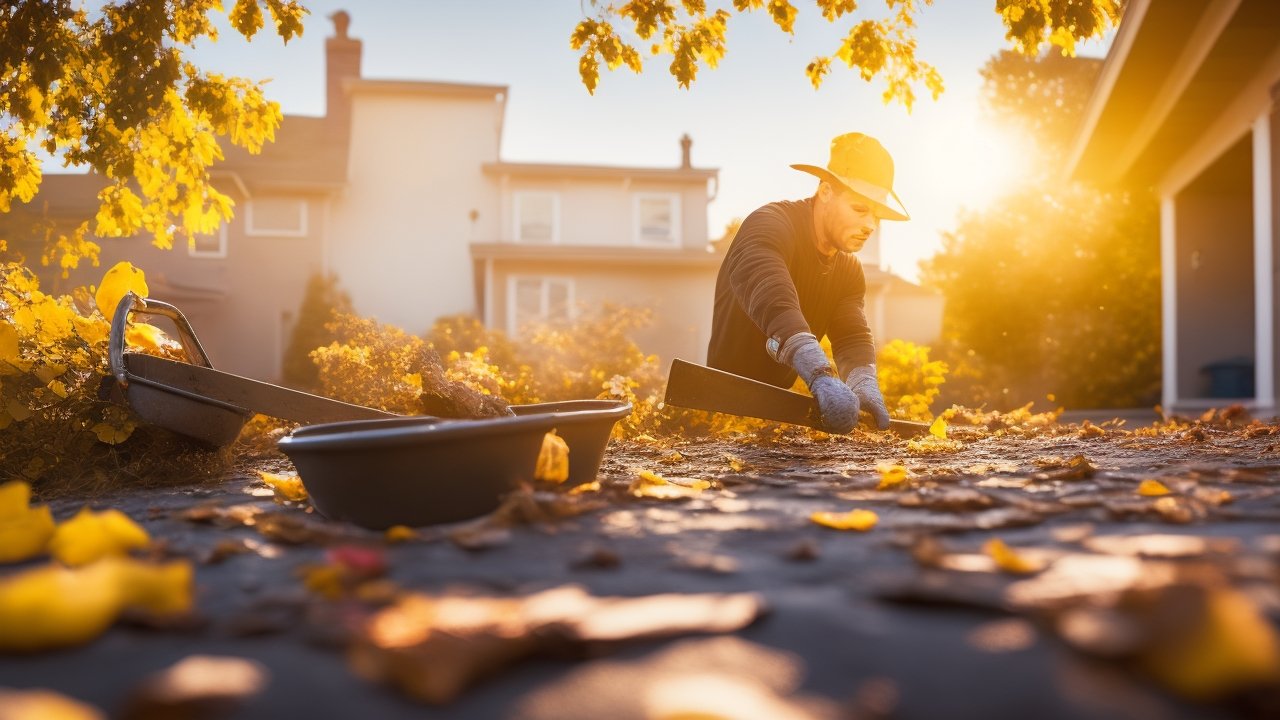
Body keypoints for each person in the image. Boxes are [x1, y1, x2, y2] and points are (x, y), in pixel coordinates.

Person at [706, 132, 910, 433]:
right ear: (826, 191)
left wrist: (863, 382)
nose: (870, 226)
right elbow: (772, 297)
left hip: (774, 412)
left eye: (877, 216)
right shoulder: (769, 225)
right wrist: (819, 372)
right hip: (716, 408)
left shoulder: (849, 270)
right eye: (859, 209)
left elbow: (851, 334)